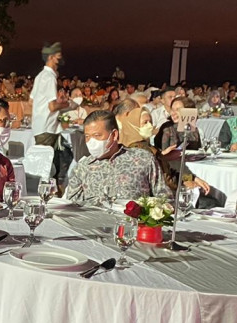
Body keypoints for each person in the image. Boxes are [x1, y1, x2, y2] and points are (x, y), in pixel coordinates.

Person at [66, 110, 169, 205]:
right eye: (87, 137)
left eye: (97, 135)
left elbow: (165, 199)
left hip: (134, 222)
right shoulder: (82, 168)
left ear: (114, 135)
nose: (91, 141)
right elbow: (72, 207)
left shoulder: (143, 159)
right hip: (95, 223)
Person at [30, 42, 76, 187]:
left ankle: (47, 193)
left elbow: (31, 101)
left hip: (39, 127)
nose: (59, 62)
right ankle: (49, 196)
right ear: (50, 58)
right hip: (48, 128)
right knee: (49, 168)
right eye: (58, 58)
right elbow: (52, 106)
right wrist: (69, 105)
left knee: (43, 166)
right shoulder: (49, 77)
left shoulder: (39, 76)